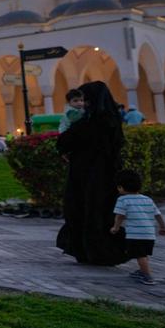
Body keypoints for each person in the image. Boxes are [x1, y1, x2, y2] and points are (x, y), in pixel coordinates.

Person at [56, 81, 128, 266]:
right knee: (101, 211)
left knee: (86, 209)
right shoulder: (112, 120)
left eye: (86, 100)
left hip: (86, 175)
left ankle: (91, 250)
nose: (83, 104)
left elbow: (64, 142)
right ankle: (99, 250)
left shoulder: (91, 122)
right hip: (106, 175)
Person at [109, 170, 165, 286]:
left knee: (140, 255)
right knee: (143, 253)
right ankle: (142, 271)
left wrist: (115, 227)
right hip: (149, 234)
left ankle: (147, 276)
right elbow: (158, 214)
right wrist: (163, 227)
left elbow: (120, 216)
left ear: (120, 188)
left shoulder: (123, 200)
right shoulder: (148, 199)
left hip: (136, 234)